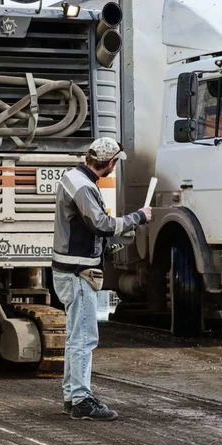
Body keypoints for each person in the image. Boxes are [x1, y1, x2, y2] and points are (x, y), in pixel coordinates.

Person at [51, 137, 152, 421]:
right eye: (115, 163)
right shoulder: (84, 187)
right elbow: (101, 224)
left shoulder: (75, 178)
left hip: (70, 269)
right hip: (78, 272)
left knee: (76, 338)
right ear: (108, 163)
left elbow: (88, 229)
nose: (114, 167)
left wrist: (115, 240)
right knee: (83, 339)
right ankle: (81, 400)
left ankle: (73, 397)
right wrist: (138, 218)